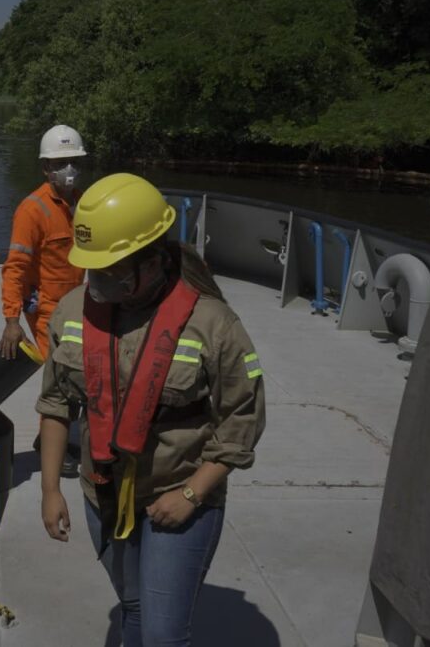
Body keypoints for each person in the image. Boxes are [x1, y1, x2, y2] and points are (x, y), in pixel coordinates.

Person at [37, 173, 266, 646]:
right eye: (91, 270)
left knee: (163, 634)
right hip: (101, 492)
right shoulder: (72, 312)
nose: (95, 282)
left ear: (153, 260)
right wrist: (49, 491)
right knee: (134, 607)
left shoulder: (212, 324)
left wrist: (193, 494)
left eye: (109, 271)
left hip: (177, 495)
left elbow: (241, 420)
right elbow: (56, 404)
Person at [0, 125, 87, 475]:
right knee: (60, 382)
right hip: (48, 313)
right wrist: (11, 320)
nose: (68, 169)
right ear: (46, 168)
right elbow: (15, 267)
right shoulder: (32, 210)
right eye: (60, 162)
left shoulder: (80, 203)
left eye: (73, 161)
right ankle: (53, 445)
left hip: (79, 307)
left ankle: (60, 438)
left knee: (79, 378)